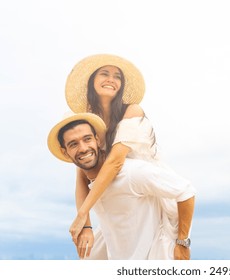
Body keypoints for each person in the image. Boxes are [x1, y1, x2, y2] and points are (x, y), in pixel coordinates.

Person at [63, 53, 195, 259]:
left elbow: (116, 162)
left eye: (117, 77)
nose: (111, 79)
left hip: (146, 189)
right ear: (91, 82)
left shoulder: (132, 111)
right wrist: (86, 224)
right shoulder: (90, 123)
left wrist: (81, 215)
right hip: (119, 197)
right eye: (104, 74)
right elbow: (82, 174)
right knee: (91, 257)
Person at [47, 112, 196, 259]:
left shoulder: (132, 172)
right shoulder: (89, 183)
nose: (83, 148)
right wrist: (86, 226)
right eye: (73, 144)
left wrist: (182, 243)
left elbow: (186, 191)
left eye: (87, 139)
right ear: (65, 152)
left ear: (98, 140)